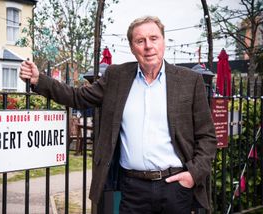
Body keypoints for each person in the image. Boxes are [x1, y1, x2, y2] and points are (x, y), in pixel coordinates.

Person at [20, 15, 217, 214]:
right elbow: (78, 97)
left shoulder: (189, 81)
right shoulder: (117, 77)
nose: (148, 46)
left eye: (154, 38)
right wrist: (39, 80)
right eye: (140, 41)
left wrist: (193, 174)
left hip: (176, 187)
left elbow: (207, 136)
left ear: (163, 41)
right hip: (133, 189)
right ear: (132, 48)